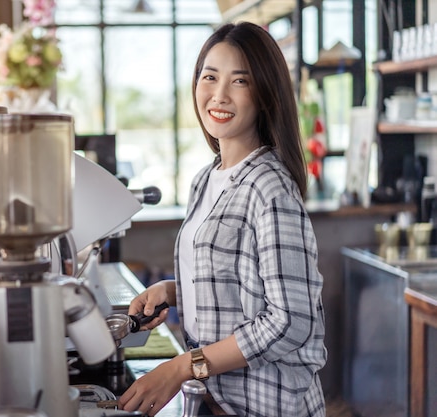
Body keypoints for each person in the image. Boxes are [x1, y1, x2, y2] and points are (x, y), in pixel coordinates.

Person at [117, 21, 327, 417]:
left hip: (268, 405)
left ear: (264, 94)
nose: (219, 94)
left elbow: (289, 320)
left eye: (240, 82)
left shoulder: (270, 189)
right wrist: (174, 290)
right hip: (218, 401)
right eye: (209, 77)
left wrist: (183, 366)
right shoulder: (206, 179)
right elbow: (245, 282)